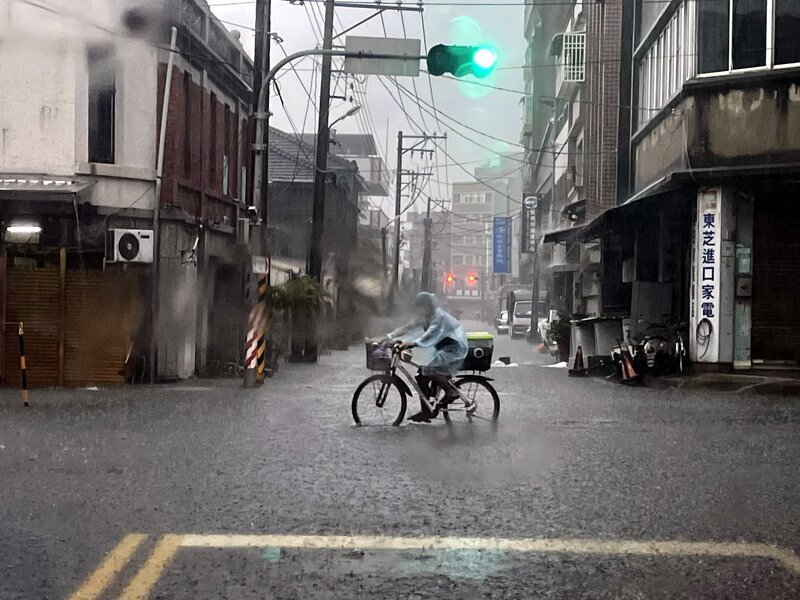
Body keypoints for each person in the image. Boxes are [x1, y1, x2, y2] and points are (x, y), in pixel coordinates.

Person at [385, 292, 468, 422]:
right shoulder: (425, 316)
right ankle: (426, 411)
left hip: (453, 349)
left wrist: (413, 343)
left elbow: (431, 333)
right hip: (443, 349)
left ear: (427, 306)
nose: (419, 310)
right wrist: (389, 336)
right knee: (421, 376)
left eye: (421, 307)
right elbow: (409, 327)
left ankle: (451, 392)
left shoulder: (439, 316)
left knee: (429, 370)